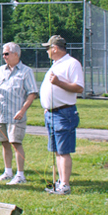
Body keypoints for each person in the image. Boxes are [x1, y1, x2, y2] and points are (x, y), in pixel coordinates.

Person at [0, 42, 39, 185]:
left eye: (6, 54)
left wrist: (22, 111)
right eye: (3, 54)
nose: (3, 56)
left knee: (16, 143)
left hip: (16, 115)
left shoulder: (26, 71)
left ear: (16, 54)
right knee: (5, 143)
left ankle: (20, 175)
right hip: (0, 114)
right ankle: (8, 172)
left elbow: (32, 93)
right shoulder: (0, 70)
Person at [40, 35, 84, 195]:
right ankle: (60, 181)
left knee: (64, 151)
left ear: (55, 48)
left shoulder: (72, 63)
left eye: (48, 48)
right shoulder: (56, 64)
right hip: (52, 113)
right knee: (57, 151)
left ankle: (65, 184)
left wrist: (59, 83)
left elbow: (79, 88)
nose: (47, 51)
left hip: (64, 113)